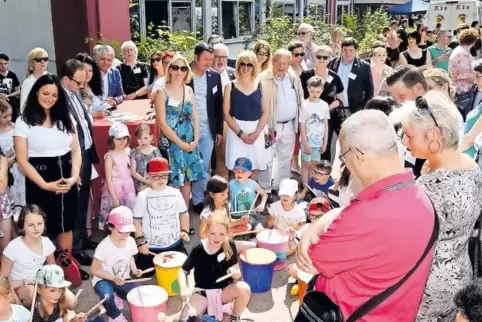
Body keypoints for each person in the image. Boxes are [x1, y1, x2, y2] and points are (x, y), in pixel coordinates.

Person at [296, 110, 437, 321]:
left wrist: (313, 227)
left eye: (344, 157)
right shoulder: (422, 199)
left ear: (358, 156)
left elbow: (311, 260)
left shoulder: (364, 216)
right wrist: (328, 217)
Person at [400, 94, 482, 321]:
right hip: (461, 276)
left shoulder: (429, 185)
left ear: (435, 134)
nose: (405, 142)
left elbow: (409, 244)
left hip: (426, 287)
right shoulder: (471, 166)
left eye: (409, 135)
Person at [13, 74, 81, 252]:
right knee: (38, 226)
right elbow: (21, 160)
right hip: (39, 178)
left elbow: (76, 150)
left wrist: (74, 177)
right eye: (45, 93)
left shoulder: (66, 118)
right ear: (36, 93)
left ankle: (65, 264)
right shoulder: (23, 122)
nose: (50, 98)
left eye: (54, 95)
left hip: (66, 177)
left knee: (66, 224)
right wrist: (45, 185)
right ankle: (42, 267)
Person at [60, 59, 100, 269]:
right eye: (78, 81)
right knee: (75, 204)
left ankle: (82, 239)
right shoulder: (59, 97)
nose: (81, 85)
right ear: (66, 79)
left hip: (84, 152)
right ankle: (75, 249)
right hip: (73, 156)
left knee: (83, 200)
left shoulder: (73, 92)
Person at [178, 212, 251, 322]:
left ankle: (235, 318)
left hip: (223, 292)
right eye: (212, 233)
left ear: (227, 233)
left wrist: (236, 274)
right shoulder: (198, 249)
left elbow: (236, 271)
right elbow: (182, 271)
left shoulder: (230, 245)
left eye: (221, 234)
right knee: (185, 320)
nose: (217, 238)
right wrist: (183, 288)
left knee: (244, 289)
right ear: (206, 232)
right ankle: (208, 309)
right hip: (203, 292)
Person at [154, 54, 204, 207]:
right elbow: (162, 122)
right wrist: (180, 144)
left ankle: (185, 220)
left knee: (187, 181)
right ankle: (173, 219)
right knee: (174, 182)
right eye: (175, 67)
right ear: (169, 70)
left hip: (189, 140)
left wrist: (195, 139)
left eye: (183, 68)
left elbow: (195, 116)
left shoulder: (188, 90)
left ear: (186, 71)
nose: (179, 71)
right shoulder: (161, 92)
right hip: (172, 141)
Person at [257, 49, 304, 196]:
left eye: (286, 63)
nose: (282, 66)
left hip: (289, 124)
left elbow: (300, 98)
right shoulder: (263, 78)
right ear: (273, 62)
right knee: (267, 157)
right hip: (271, 126)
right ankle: (265, 189)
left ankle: (280, 186)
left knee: (285, 157)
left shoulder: (293, 76)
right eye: (279, 62)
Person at [133, 157, 190, 272]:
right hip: (150, 247)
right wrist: (140, 242)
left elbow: (184, 214)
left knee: (179, 274)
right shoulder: (142, 196)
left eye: (164, 176)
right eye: (155, 176)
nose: (160, 180)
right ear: (148, 176)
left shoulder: (175, 193)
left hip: (174, 244)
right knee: (145, 275)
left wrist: (184, 231)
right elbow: (136, 221)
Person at [188, 43, 223, 214]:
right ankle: (188, 197)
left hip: (208, 128)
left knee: (203, 165)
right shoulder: (183, 73)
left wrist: (218, 131)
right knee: (190, 165)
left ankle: (198, 200)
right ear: (196, 57)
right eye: (206, 59)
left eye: (211, 59)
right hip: (187, 129)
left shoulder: (214, 76)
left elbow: (218, 105)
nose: (209, 62)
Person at [90, 206, 142, 322]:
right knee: (107, 296)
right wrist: (112, 278)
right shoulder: (103, 246)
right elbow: (94, 270)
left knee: (138, 292)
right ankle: (115, 316)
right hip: (103, 279)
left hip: (123, 278)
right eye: (121, 232)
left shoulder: (131, 241)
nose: (125, 235)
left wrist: (134, 269)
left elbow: (130, 257)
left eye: (128, 232)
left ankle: (116, 294)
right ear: (110, 227)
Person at [0, 205, 56, 307]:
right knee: (35, 298)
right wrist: (16, 301)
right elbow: (2, 281)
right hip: (19, 285)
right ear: (22, 226)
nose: (36, 228)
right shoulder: (13, 247)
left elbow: (53, 269)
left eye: (40, 223)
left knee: (72, 302)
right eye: (30, 225)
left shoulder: (47, 242)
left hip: (39, 283)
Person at [224, 51, 269, 174]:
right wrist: (241, 134)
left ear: (254, 66)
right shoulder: (230, 86)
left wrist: (256, 133)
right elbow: (226, 114)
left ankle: (252, 193)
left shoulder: (261, 85)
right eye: (242, 64)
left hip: (256, 131)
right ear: (237, 65)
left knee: (253, 170)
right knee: (236, 170)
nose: (245, 67)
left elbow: (266, 112)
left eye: (249, 65)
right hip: (236, 131)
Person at [300, 45, 344, 161]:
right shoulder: (306, 75)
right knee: (308, 146)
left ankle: (324, 173)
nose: (322, 59)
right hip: (308, 116)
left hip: (327, 116)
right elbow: (300, 96)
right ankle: (308, 175)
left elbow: (340, 100)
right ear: (315, 57)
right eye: (319, 56)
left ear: (330, 59)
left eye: (325, 57)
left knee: (325, 146)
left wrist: (328, 107)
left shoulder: (335, 77)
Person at [99, 123, 136, 229]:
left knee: (129, 211)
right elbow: (108, 179)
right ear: (112, 139)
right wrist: (114, 198)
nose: (122, 141)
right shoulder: (110, 156)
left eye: (125, 138)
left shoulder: (128, 151)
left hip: (128, 187)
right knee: (115, 213)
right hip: (115, 189)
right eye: (118, 138)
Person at [328, 38, 374, 116]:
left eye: (351, 50)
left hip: (354, 111)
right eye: (345, 50)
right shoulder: (332, 63)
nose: (348, 53)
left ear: (356, 51)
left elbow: (369, 91)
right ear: (341, 50)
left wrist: (363, 109)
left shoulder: (364, 67)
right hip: (333, 109)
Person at [299, 76, 330, 186]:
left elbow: (326, 125)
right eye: (312, 91)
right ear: (308, 89)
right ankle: (305, 187)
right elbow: (302, 126)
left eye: (317, 91)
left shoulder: (324, 105)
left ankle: (312, 188)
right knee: (306, 164)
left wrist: (325, 143)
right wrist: (305, 144)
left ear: (322, 90)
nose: (315, 94)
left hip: (318, 142)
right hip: (307, 141)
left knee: (314, 165)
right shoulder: (304, 105)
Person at [212, 43, 236, 179]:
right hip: (215, 121)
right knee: (220, 158)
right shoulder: (207, 75)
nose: (221, 60)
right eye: (217, 57)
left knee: (233, 156)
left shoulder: (233, 73)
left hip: (233, 121)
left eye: (224, 57)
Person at [266, 178, 306, 256]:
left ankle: (280, 254)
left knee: (295, 247)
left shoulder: (299, 210)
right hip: (277, 232)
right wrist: (271, 220)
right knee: (266, 241)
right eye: (283, 194)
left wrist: (295, 228)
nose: (285, 197)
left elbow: (302, 223)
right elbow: (268, 225)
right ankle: (277, 253)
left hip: (291, 235)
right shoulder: (275, 207)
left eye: (288, 195)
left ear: (295, 196)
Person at [229, 157, 267, 229]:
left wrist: (262, 204)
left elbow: (264, 194)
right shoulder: (231, 184)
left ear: (250, 173)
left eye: (243, 171)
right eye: (237, 171)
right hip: (233, 216)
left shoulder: (253, 184)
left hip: (249, 216)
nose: (239, 173)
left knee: (259, 229)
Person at [130, 123, 161, 192]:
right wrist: (146, 181)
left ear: (151, 137)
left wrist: (153, 181)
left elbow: (159, 169)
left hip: (154, 183)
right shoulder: (134, 152)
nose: (143, 141)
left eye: (145, 138)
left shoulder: (155, 151)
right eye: (139, 139)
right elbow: (133, 172)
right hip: (139, 185)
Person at [0, 54, 21, 122]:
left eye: (5, 63)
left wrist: (8, 95)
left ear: (8, 63)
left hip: (12, 107)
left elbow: (18, 91)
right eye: (0, 64)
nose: (3, 66)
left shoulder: (12, 75)